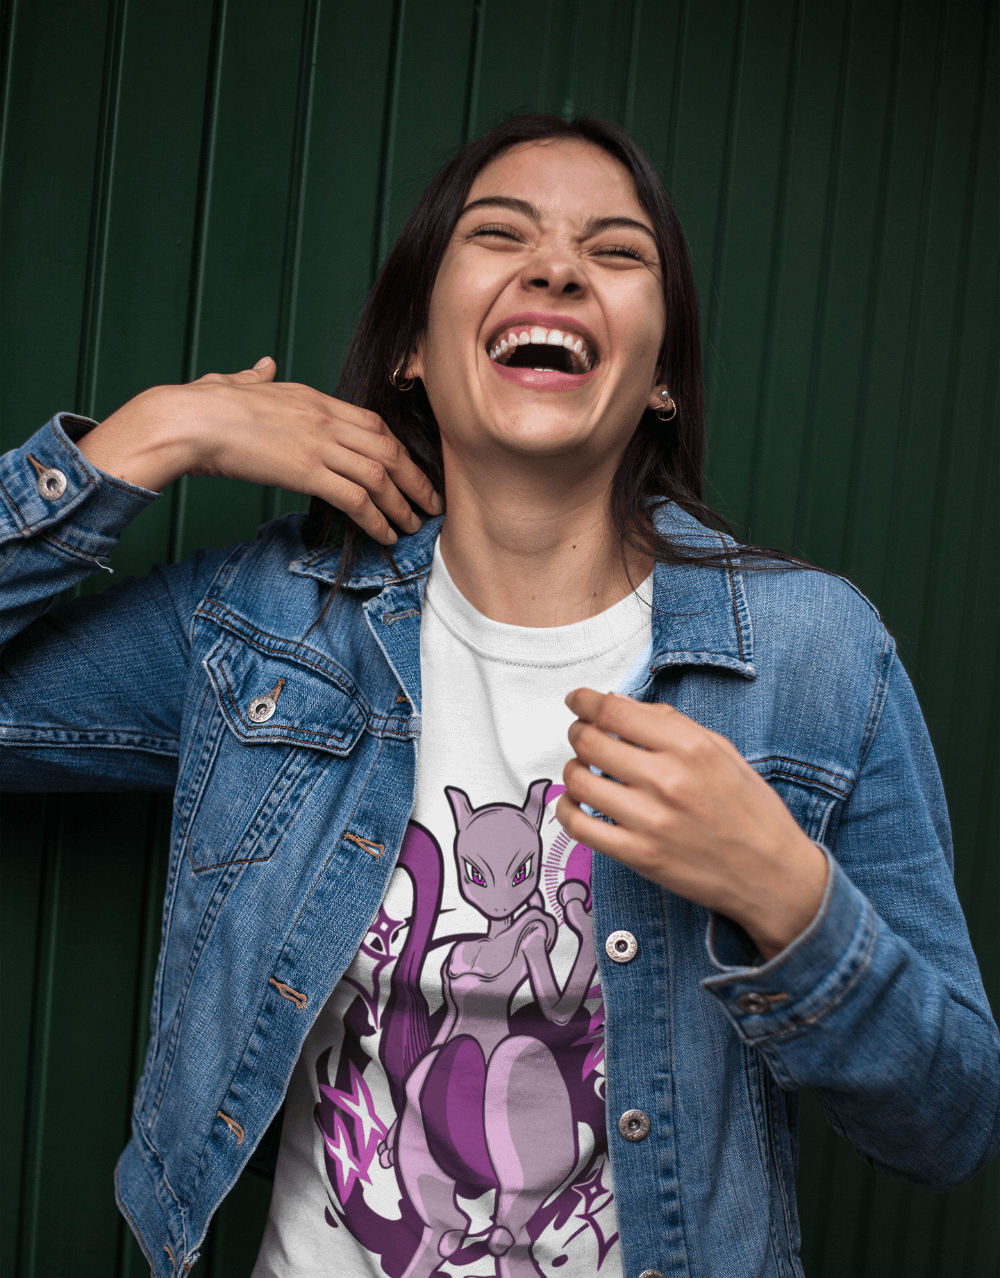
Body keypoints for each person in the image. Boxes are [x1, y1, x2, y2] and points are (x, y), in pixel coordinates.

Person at [0, 114, 996, 1278]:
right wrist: (152, 434)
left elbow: (950, 1125)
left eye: (615, 252)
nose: (558, 268)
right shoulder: (265, 624)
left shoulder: (815, 657)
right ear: (412, 348)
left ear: (661, 377)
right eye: (499, 234)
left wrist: (786, 894)